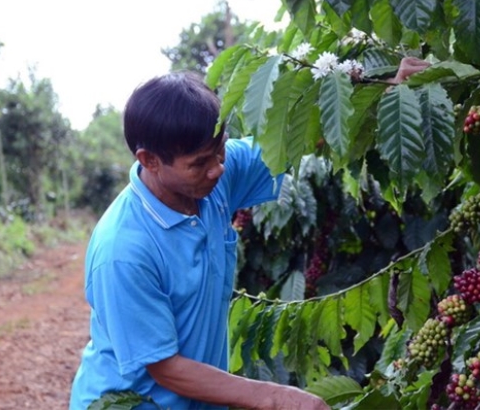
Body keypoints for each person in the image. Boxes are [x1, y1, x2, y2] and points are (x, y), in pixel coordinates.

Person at [70, 58, 429, 410]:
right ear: (149, 160)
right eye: (199, 163)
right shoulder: (124, 249)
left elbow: (292, 142)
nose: (217, 170)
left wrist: (386, 93)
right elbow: (165, 367)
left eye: (220, 150)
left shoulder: (213, 179)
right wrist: (274, 396)